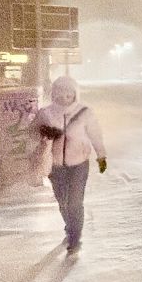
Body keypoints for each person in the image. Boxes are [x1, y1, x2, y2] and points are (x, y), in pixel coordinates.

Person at [33, 76, 107, 253]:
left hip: (79, 164)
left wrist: (101, 155)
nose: (64, 96)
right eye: (60, 92)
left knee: (75, 201)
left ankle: (74, 238)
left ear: (75, 93)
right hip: (55, 165)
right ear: (54, 93)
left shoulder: (85, 112)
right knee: (63, 201)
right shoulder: (46, 113)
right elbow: (32, 133)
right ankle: (69, 225)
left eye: (68, 93)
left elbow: (95, 134)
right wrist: (44, 134)